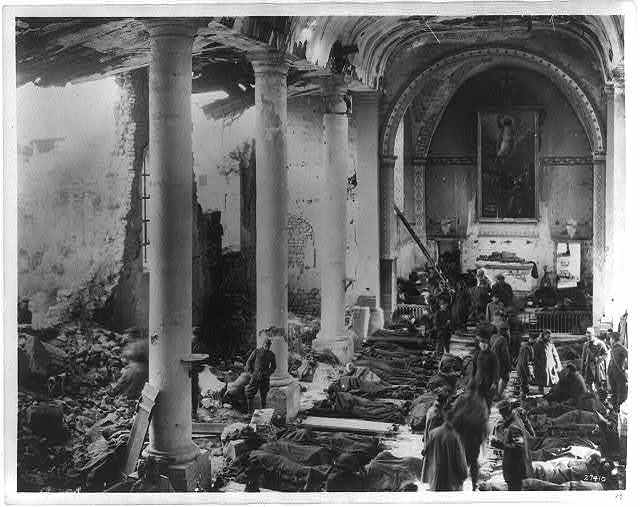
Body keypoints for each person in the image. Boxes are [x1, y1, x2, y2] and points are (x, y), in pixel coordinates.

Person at [491, 400, 533, 491]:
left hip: (516, 470)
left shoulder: (513, 426)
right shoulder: (514, 419)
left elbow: (518, 446)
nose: (500, 414)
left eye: (501, 411)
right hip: (518, 467)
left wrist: (500, 445)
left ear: (504, 412)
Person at [421, 418, 468, 491]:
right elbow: (462, 467)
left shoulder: (432, 433)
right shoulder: (456, 436)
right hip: (452, 486)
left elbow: (424, 454)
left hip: (435, 482)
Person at [244, 335, 277, 412]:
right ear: (263, 344)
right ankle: (250, 412)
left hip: (265, 378)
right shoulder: (256, 351)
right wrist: (251, 373)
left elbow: (273, 366)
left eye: (268, 345)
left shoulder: (271, 354)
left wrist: (268, 373)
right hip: (255, 376)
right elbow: (249, 362)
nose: (267, 346)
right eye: (266, 344)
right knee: (250, 393)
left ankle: (263, 412)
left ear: (270, 345)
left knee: (264, 394)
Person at [471, 323, 499, 409]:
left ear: (488, 344)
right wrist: (472, 380)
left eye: (485, 343)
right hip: (478, 381)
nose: (483, 345)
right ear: (479, 344)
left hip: (488, 382)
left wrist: (495, 382)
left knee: (487, 402)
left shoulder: (492, 355)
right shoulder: (476, 354)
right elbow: (474, 368)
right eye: (481, 342)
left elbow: (496, 370)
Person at [533, 330, 562, 394]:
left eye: (549, 336)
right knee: (541, 381)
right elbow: (535, 356)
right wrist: (538, 363)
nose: (548, 337)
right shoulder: (538, 344)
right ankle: (541, 393)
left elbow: (555, 355)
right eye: (547, 335)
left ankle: (553, 393)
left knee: (554, 381)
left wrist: (558, 364)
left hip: (551, 365)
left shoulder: (551, 344)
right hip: (541, 366)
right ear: (543, 335)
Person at [581, 327, 608, 394]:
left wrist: (599, 359)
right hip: (588, 368)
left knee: (599, 385)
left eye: (590, 336)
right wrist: (582, 370)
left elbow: (606, 353)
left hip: (597, 367)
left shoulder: (600, 343)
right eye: (587, 336)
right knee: (589, 385)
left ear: (593, 335)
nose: (588, 338)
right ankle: (593, 398)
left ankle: (599, 398)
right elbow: (583, 358)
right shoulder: (586, 345)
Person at [607, 332, 628, 409]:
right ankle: (615, 411)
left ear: (613, 339)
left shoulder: (622, 349)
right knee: (614, 394)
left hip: (619, 376)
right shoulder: (613, 349)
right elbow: (611, 361)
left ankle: (619, 411)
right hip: (613, 376)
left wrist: (625, 369)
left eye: (610, 339)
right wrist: (609, 373)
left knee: (620, 395)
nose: (609, 340)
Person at [491, 323, 512, 399]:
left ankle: (495, 394)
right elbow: (505, 354)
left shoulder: (493, 337)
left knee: (495, 379)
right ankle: (498, 395)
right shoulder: (503, 339)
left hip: (492, 361)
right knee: (505, 378)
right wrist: (509, 366)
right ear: (505, 331)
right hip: (500, 362)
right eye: (508, 331)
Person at [515, 334, 535, 401]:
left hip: (522, 368)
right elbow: (524, 363)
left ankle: (522, 399)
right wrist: (528, 374)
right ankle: (522, 401)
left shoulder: (527, 347)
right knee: (524, 387)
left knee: (524, 386)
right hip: (523, 369)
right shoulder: (526, 348)